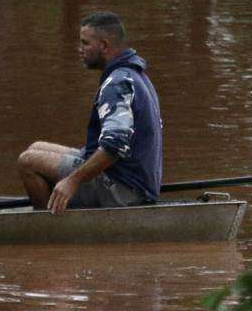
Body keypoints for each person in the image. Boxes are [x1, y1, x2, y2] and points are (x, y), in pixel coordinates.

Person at [17, 11, 162, 214]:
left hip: (124, 192)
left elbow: (115, 145)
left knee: (27, 162)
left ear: (103, 45)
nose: (80, 49)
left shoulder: (117, 84)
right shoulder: (135, 74)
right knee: (37, 147)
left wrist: (72, 180)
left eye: (85, 43)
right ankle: (55, 205)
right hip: (132, 181)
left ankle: (47, 228)